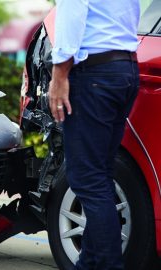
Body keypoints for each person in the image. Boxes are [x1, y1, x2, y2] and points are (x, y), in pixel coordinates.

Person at [48, 0, 140, 269]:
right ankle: (89, 263)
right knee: (100, 175)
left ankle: (108, 264)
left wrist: (59, 75)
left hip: (94, 74)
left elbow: (72, 14)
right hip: (125, 70)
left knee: (88, 179)